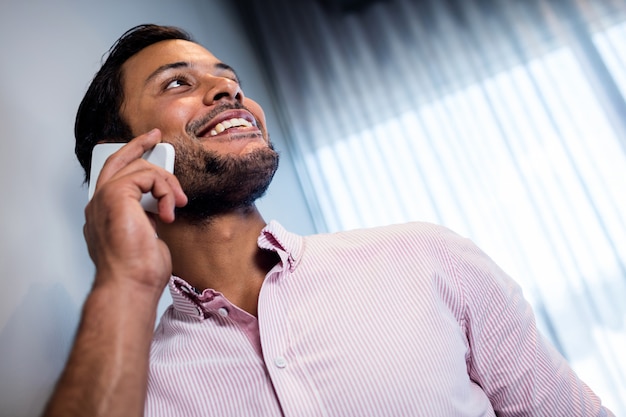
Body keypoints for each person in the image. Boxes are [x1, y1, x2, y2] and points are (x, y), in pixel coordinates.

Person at [43, 24, 614, 417]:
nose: (228, 90)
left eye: (227, 76)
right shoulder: (127, 387)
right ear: (121, 160)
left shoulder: (429, 260)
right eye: (178, 84)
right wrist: (124, 281)